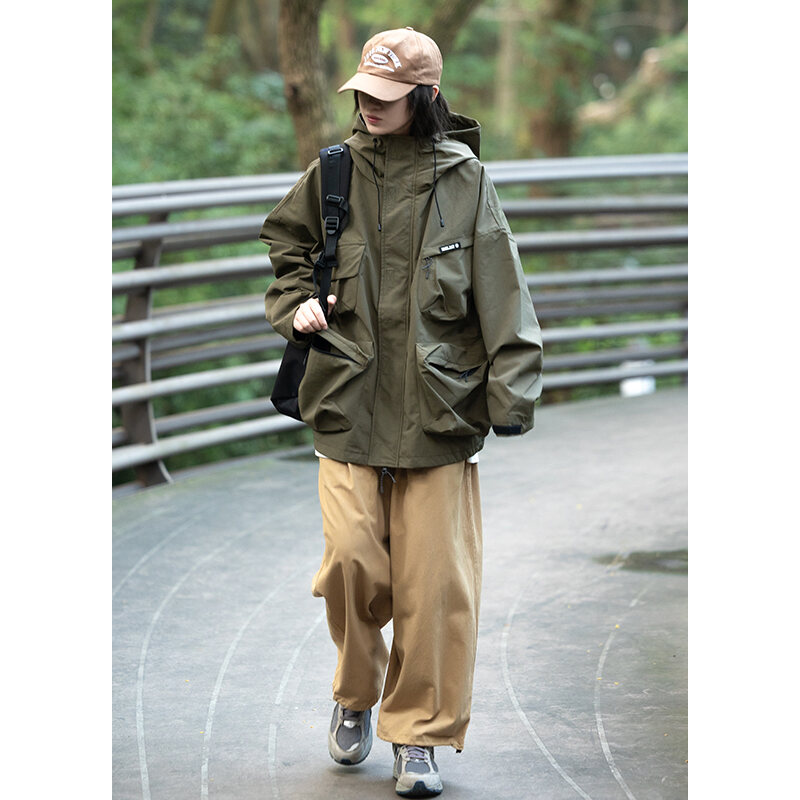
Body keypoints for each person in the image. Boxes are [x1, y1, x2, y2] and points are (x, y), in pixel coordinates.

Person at [260, 26, 543, 798]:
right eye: (363, 93)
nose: (370, 106)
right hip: (346, 401)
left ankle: (417, 736)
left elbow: (504, 291)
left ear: (425, 95)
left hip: (440, 410)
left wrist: (511, 393)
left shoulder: (467, 180)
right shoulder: (333, 172)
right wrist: (297, 304)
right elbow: (286, 252)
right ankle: (357, 691)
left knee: (435, 585)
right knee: (352, 563)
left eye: (386, 96)